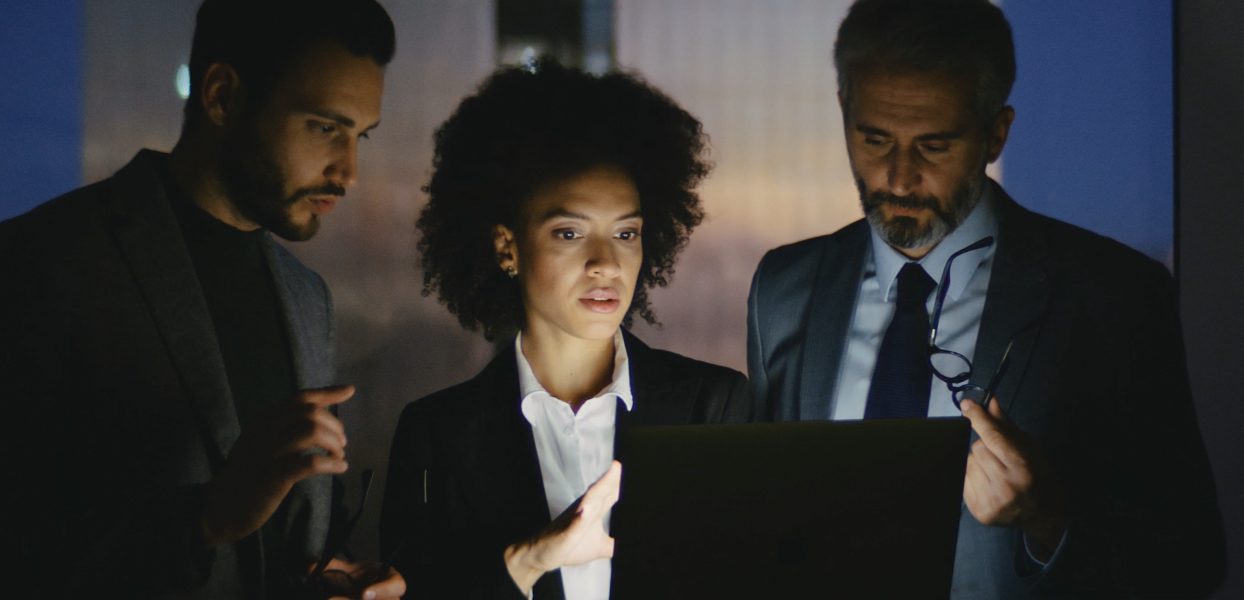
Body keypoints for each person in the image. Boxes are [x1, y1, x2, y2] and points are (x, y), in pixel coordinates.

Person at [745, 0, 1225, 597]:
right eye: (874, 140)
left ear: (996, 133)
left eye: (933, 147)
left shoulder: (1113, 295)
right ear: (844, 111)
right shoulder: (782, 288)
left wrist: (1049, 519)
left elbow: (1194, 559)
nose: (897, 178)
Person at [0, 0, 405, 597]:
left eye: (359, 136)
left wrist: (334, 574)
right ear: (221, 96)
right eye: (324, 127)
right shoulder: (46, 261)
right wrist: (208, 516)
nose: (347, 172)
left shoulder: (306, 297)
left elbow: (285, 532)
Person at [380, 60, 751, 599]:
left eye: (626, 233)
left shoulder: (711, 406)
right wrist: (528, 561)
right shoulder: (438, 434)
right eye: (570, 232)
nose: (606, 263)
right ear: (508, 248)